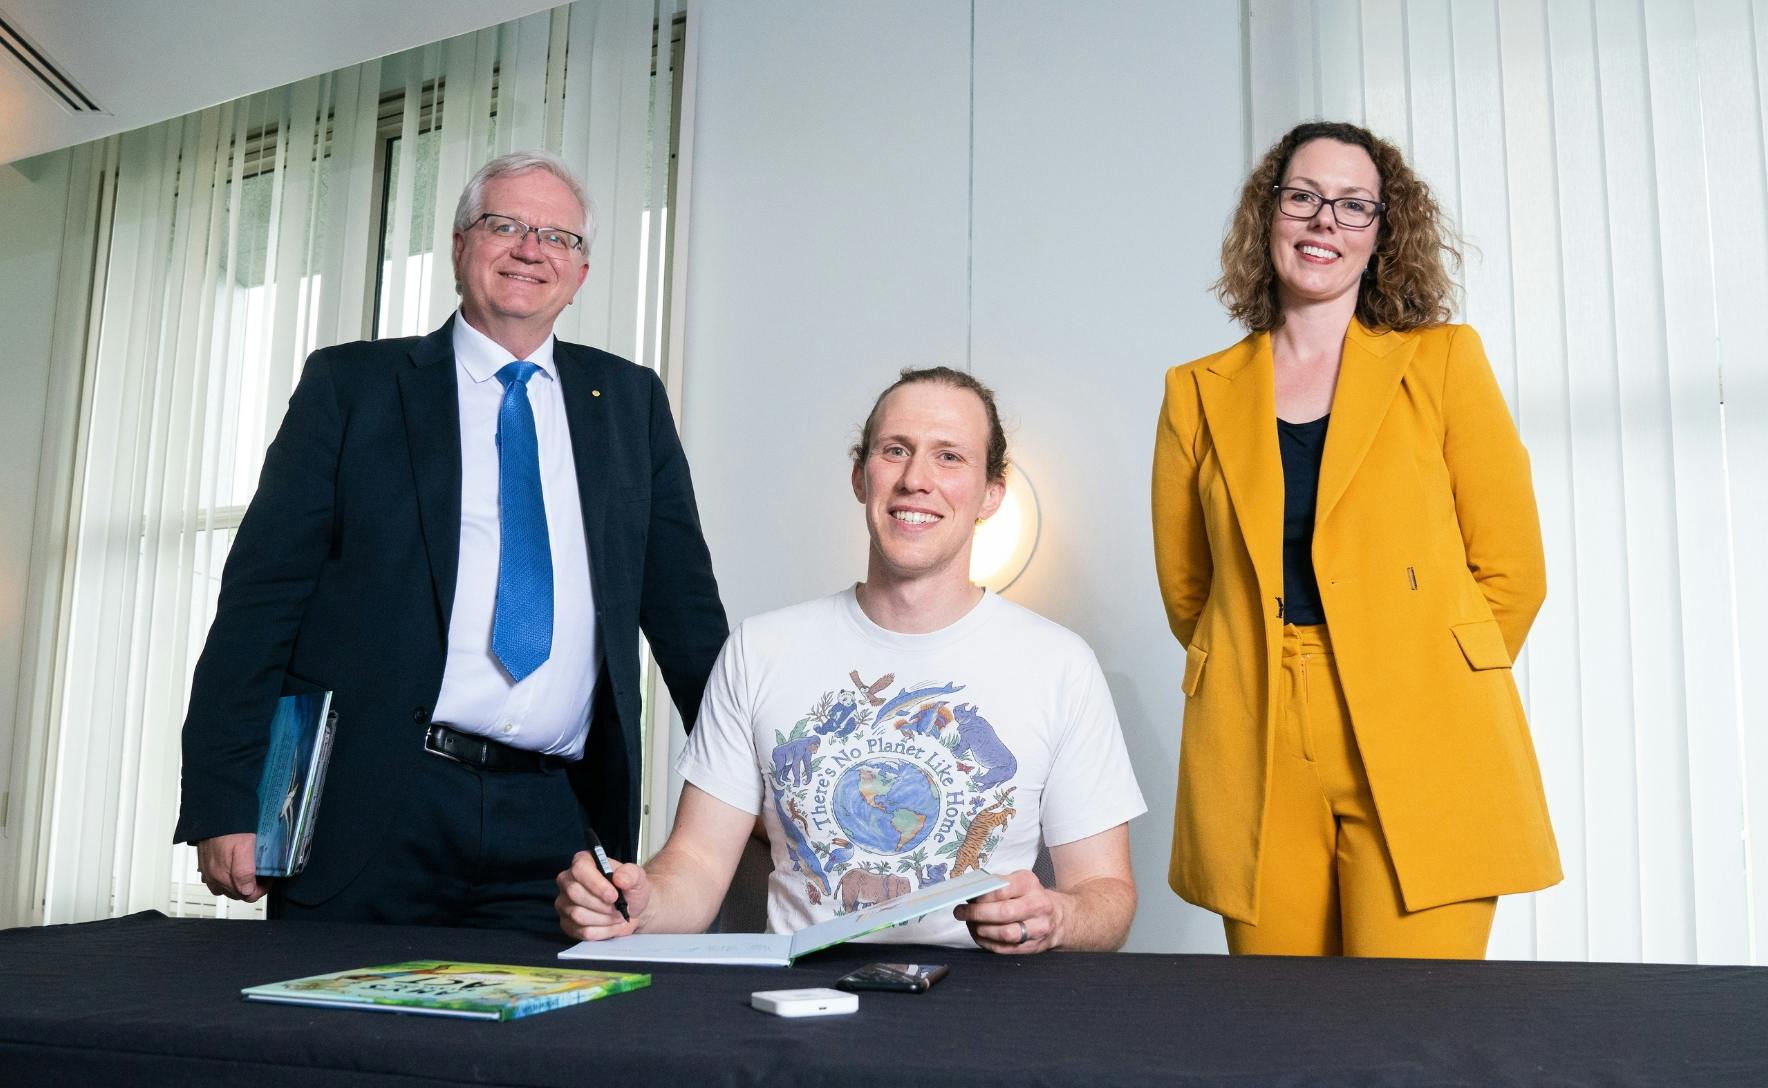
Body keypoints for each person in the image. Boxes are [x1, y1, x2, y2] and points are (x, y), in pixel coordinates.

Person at [174, 150, 728, 934]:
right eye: (505, 225)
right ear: (461, 244)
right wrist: (227, 798)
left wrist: (764, 800)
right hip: (371, 809)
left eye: (558, 237)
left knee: (537, 1051)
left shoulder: (630, 403)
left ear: (582, 271)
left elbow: (688, 622)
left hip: (556, 828)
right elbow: (262, 601)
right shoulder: (352, 388)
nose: (531, 249)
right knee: (333, 1047)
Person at [557, 368, 1146, 952]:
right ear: (860, 476)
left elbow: (1107, 895)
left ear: (992, 493)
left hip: (984, 1013)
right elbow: (697, 865)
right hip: (798, 1008)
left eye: (949, 457)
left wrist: (1059, 918)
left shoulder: (1059, 665)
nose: (917, 479)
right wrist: (638, 901)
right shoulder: (760, 651)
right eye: (895, 451)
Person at [1151, 121, 1560, 958]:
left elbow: (1513, 570)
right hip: (1258, 726)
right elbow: (1191, 591)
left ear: (1382, 234)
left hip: (1425, 728)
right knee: (1283, 1039)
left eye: (1352, 206)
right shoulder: (1196, 392)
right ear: (1268, 217)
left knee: (1415, 1038)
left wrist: (1431, 675)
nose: (1323, 221)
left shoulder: (1442, 362)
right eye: (1302, 197)